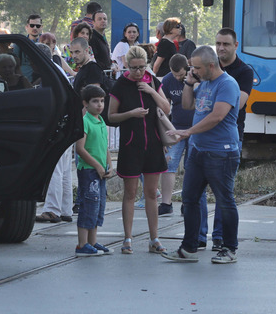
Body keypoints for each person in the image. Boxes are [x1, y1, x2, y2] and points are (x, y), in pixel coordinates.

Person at [162, 46, 241, 264]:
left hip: (221, 153)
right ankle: (189, 247)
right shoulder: (203, 82)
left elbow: (217, 116)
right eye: (192, 67)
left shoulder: (227, 84)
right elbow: (187, 104)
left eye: (197, 67)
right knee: (190, 199)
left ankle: (229, 248)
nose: (194, 70)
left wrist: (188, 131)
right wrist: (188, 82)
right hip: (198, 151)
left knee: (225, 201)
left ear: (211, 65)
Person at [108, 45, 171, 255]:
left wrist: (151, 90)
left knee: (152, 193)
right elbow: (111, 116)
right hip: (130, 145)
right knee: (130, 194)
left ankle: (155, 238)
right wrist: (130, 113)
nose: (138, 72)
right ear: (126, 65)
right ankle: (127, 238)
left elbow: (167, 108)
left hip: (153, 144)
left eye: (142, 67)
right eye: (134, 68)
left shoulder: (152, 81)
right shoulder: (121, 85)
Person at [195, 27, 254, 251]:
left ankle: (219, 237)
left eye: (226, 44)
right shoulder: (207, 68)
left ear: (235, 46)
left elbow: (235, 106)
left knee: (223, 191)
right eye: (218, 43)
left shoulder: (243, 72)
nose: (221, 48)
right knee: (194, 191)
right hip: (202, 136)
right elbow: (195, 103)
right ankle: (199, 236)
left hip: (229, 136)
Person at [74, 84, 115, 256]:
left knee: (98, 206)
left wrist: (109, 164)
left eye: (102, 101)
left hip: (100, 170)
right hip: (89, 171)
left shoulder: (100, 120)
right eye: (95, 101)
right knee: (88, 204)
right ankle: (82, 244)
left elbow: (104, 146)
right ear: (85, 103)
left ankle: (92, 242)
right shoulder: (85, 121)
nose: (99, 105)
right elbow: (80, 149)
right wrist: (97, 166)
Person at [159, 54, 193, 216]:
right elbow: (164, 108)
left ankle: (188, 202)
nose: (177, 78)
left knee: (191, 167)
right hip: (176, 128)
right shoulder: (167, 80)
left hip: (195, 128)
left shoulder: (196, 77)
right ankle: (166, 203)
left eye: (180, 75)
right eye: (174, 74)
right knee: (169, 164)